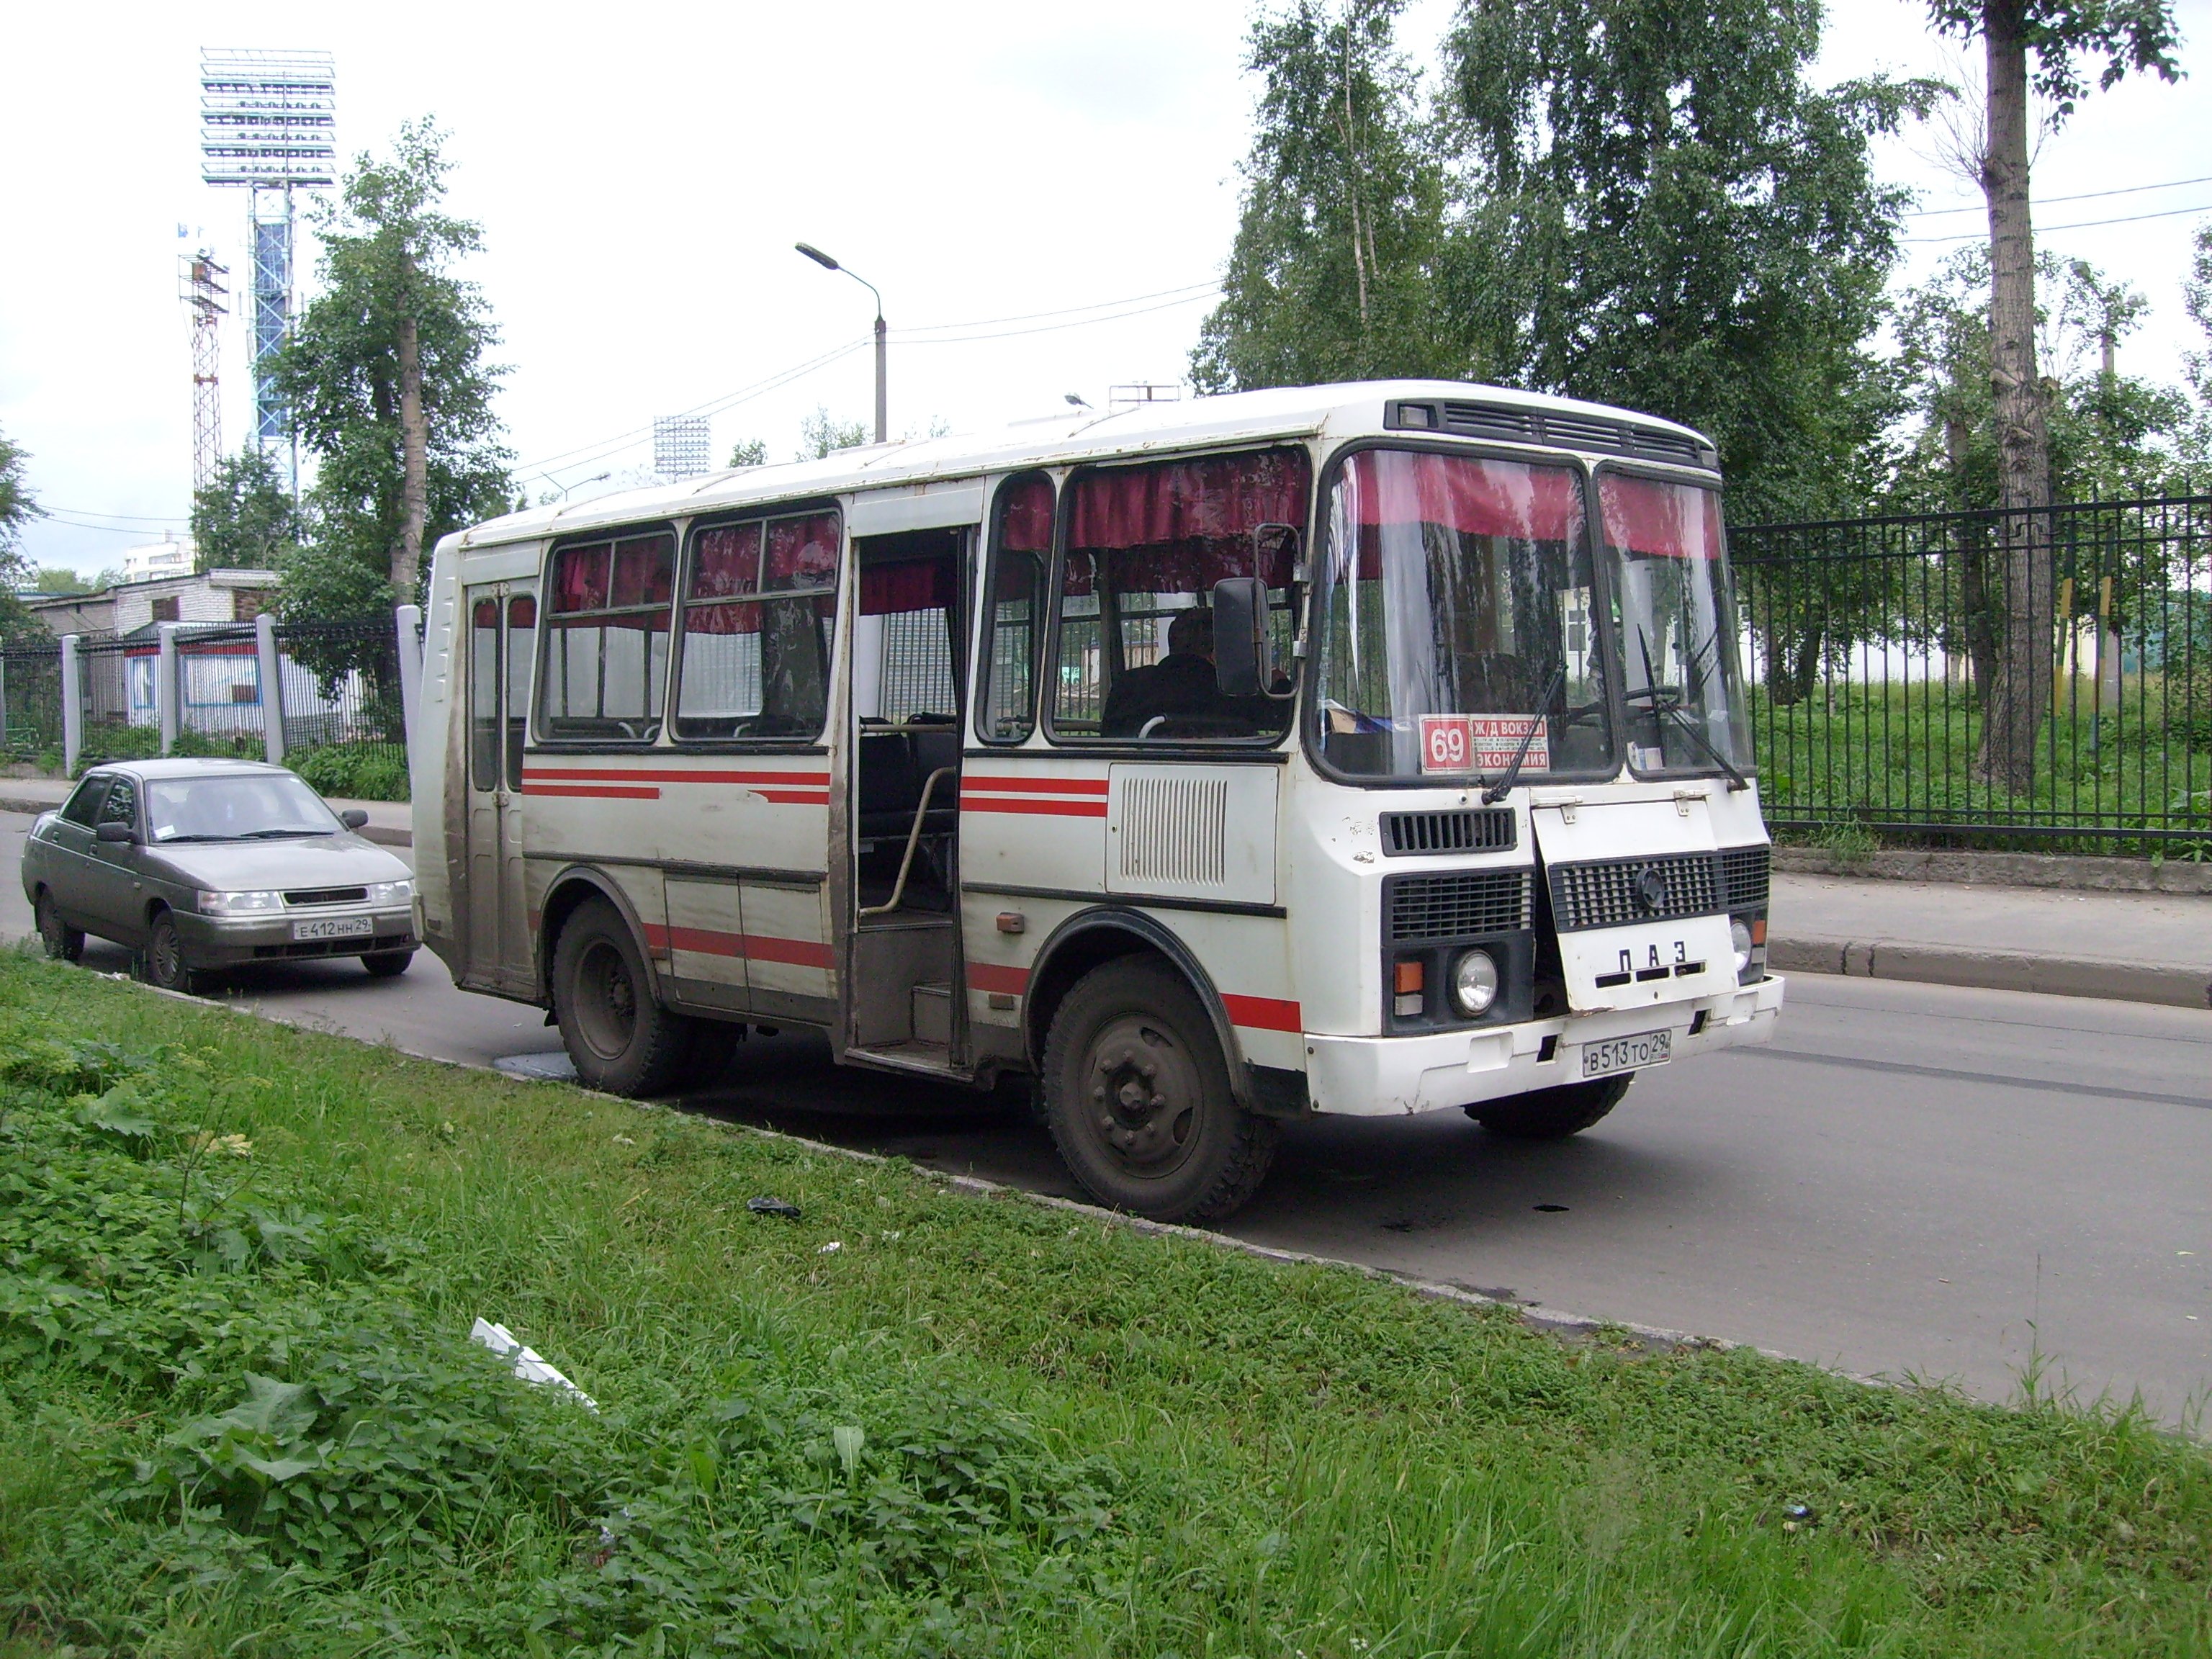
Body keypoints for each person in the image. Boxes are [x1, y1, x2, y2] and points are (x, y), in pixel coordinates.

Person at [1102, 607, 1274, 738]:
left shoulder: (1128, 684)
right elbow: (1278, 720)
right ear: (1217, 654)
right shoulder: (1230, 691)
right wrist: (1277, 685)